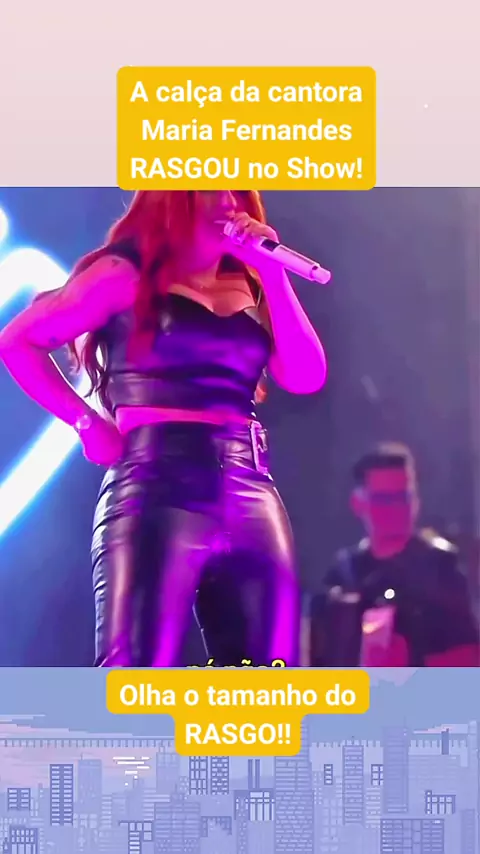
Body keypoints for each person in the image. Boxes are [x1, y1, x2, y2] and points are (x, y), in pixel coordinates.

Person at [0, 190, 327, 668]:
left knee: (267, 676)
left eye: (238, 188)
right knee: (136, 672)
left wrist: (273, 272)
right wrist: (86, 423)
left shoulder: (249, 281)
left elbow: (306, 376)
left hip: (251, 483)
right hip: (158, 482)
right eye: (213, 187)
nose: (229, 200)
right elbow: (18, 341)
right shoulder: (124, 274)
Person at [306, 442, 480, 667]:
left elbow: (469, 660)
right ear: (358, 503)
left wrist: (413, 663)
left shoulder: (441, 568)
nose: (396, 509)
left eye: (403, 497)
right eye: (383, 499)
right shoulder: (344, 573)